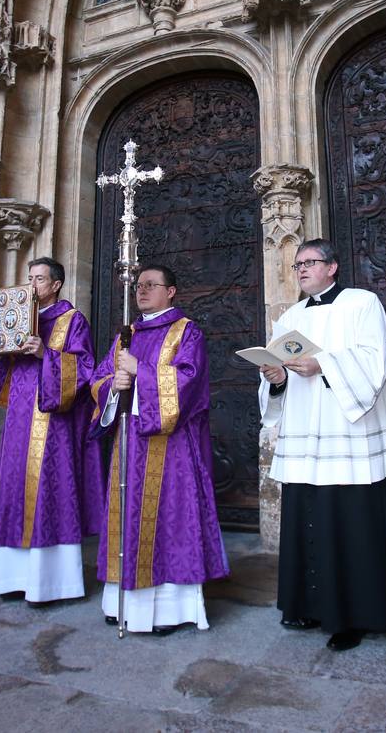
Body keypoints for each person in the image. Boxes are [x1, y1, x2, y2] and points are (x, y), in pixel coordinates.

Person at [258, 239, 386, 652]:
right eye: (297, 266)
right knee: (306, 515)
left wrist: (322, 364)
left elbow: (374, 359)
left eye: (310, 262)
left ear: (332, 267)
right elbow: (282, 380)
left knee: (351, 524)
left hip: (349, 436)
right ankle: (307, 604)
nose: (302, 270)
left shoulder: (362, 303)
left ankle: (355, 615)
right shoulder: (290, 316)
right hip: (305, 433)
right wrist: (277, 379)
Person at [89, 264, 228, 633]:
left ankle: (168, 610)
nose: (142, 290)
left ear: (171, 292)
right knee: (126, 515)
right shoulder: (126, 333)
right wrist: (112, 385)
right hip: (129, 441)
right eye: (138, 285)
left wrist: (141, 370)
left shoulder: (187, 332)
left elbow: (190, 383)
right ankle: (121, 602)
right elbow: (97, 380)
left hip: (172, 447)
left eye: (152, 285)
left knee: (168, 518)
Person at [0, 257, 102, 603]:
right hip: (19, 417)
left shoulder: (71, 320)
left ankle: (52, 583)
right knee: (15, 484)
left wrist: (46, 353)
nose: (32, 285)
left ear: (56, 284)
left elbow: (85, 368)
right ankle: (12, 579)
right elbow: (3, 375)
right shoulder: (14, 314)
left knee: (49, 487)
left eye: (40, 279)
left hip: (53, 420)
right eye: (29, 278)